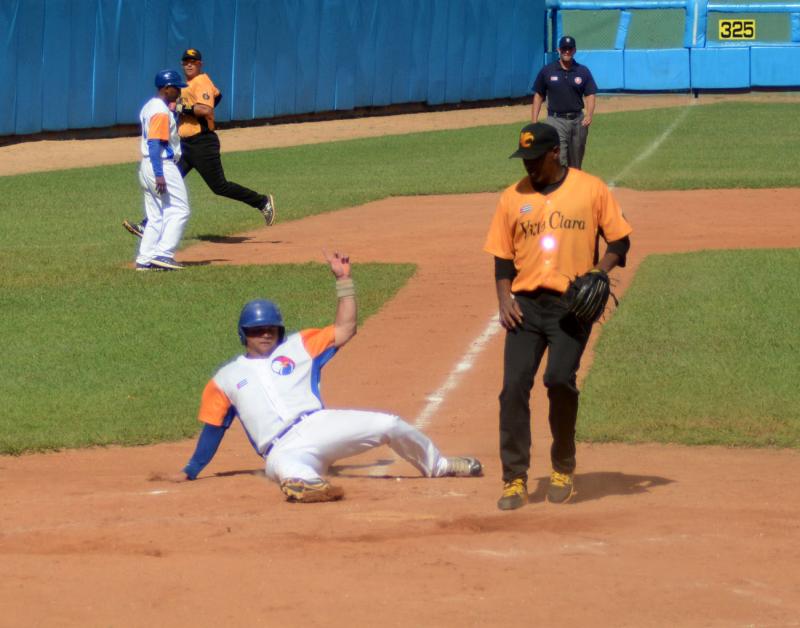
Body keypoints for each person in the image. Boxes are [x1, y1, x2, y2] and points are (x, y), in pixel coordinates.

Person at [165, 251, 483, 502]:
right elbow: (213, 429)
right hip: (279, 448)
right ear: (243, 333)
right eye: (256, 330)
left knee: (389, 424)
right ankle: (310, 485)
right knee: (286, 469)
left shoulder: (299, 344)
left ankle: (438, 466)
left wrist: (344, 281)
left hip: (318, 424)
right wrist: (191, 470)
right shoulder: (226, 377)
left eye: (271, 329)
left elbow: (345, 329)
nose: (265, 334)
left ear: (280, 329)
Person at [483, 122, 632, 510]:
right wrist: (503, 298)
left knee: (558, 380)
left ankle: (563, 465)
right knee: (513, 387)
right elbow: (501, 256)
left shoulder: (591, 189)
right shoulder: (511, 198)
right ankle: (514, 478)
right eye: (523, 159)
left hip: (571, 306)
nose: (528, 167)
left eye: (535, 159)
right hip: (525, 306)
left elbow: (619, 239)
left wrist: (600, 271)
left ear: (555, 154)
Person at [123, 48, 275, 237]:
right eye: (186, 61)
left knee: (219, 186)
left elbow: (205, 110)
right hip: (185, 146)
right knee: (166, 182)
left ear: (199, 64)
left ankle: (262, 202)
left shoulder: (201, 81)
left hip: (202, 144)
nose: (189, 64)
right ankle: (147, 224)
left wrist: (180, 107)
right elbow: (217, 96)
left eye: (193, 61)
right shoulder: (187, 85)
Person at [134, 69, 191, 271]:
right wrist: (159, 173)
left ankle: (144, 259)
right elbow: (155, 143)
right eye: (176, 88)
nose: (179, 91)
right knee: (180, 209)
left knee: (156, 214)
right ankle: (164, 254)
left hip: (146, 165)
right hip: (161, 164)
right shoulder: (159, 111)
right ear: (167, 88)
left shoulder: (150, 106)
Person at [531, 36, 597, 170]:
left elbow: (590, 95)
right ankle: (559, 188)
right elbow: (538, 95)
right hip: (555, 121)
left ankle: (573, 189)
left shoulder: (582, 71)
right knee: (558, 159)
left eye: (570, 49)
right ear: (558, 50)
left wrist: (589, 115)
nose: (567, 51)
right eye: (564, 48)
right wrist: (534, 121)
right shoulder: (547, 71)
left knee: (576, 163)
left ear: (574, 50)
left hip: (578, 121)